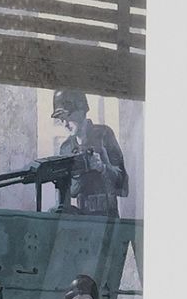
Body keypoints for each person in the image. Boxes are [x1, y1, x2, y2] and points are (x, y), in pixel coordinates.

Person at [52, 87, 129, 217]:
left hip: (107, 218)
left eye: (67, 116)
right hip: (81, 220)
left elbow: (123, 186)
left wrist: (103, 168)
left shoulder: (104, 135)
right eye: (61, 119)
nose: (64, 124)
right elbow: (69, 193)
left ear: (81, 111)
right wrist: (76, 174)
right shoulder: (66, 148)